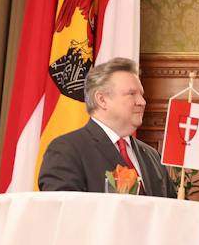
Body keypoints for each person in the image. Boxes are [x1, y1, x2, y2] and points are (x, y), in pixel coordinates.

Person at [38, 57, 173, 196]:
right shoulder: (67, 150)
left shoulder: (152, 155)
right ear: (102, 100)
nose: (142, 102)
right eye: (131, 94)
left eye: (141, 95)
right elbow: (65, 211)